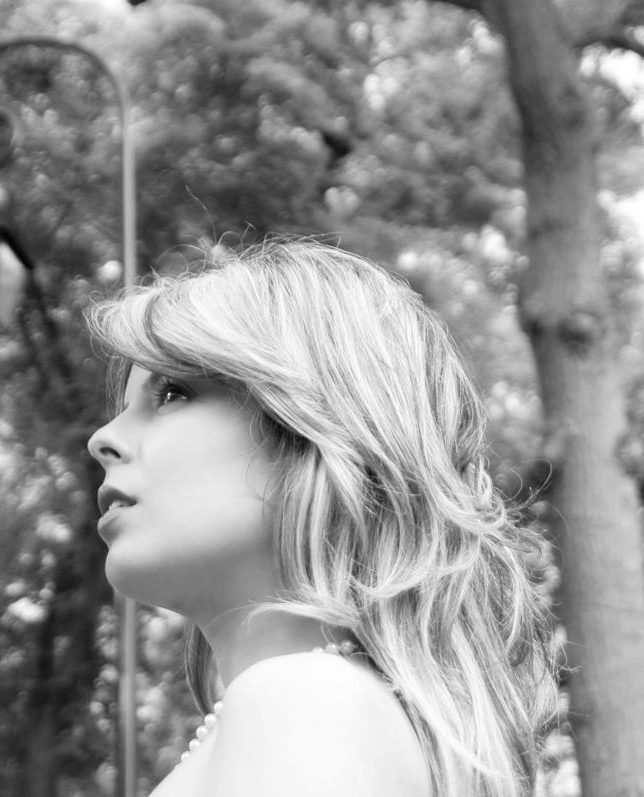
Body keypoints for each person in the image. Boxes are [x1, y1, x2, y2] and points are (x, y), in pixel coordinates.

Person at [86, 238, 557, 797]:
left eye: (172, 393)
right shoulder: (323, 707)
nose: (102, 439)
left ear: (314, 426)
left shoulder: (301, 702)